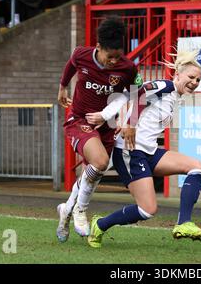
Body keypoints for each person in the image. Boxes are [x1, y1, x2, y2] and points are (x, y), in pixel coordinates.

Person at [85, 50, 201, 249]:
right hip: (129, 151)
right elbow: (135, 93)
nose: (195, 82)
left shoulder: (176, 97)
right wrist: (128, 123)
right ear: (177, 75)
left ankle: (184, 223)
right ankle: (100, 224)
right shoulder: (165, 86)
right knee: (147, 209)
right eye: (191, 77)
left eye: (198, 79)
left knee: (197, 167)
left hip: (149, 152)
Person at [56, 16, 144, 243]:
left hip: (106, 127)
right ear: (98, 48)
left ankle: (66, 209)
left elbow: (135, 94)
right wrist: (62, 87)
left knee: (92, 175)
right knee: (101, 162)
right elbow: (70, 65)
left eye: (118, 56)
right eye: (109, 56)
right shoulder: (81, 55)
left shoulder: (128, 68)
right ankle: (80, 210)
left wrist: (130, 122)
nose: (113, 61)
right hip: (79, 120)